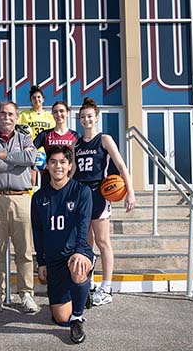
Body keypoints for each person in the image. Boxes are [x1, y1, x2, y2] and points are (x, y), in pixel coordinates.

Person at [73, 97, 136, 306]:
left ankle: (107, 287)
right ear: (79, 119)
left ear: (96, 118)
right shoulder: (76, 144)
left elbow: (121, 164)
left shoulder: (104, 139)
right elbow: (73, 172)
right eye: (83, 117)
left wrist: (131, 191)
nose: (86, 119)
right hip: (81, 193)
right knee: (86, 242)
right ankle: (88, 282)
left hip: (99, 192)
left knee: (103, 241)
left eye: (90, 116)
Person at [0, 101, 39, 313]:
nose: (7, 117)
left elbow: (31, 157)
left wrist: (5, 157)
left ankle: (26, 294)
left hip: (21, 198)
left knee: (24, 251)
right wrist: (16, 162)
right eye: (3, 113)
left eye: (11, 114)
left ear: (16, 117)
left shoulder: (24, 138)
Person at [31, 145, 95, 344]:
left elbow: (84, 225)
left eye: (62, 162)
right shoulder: (39, 197)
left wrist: (79, 252)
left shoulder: (81, 191)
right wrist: (41, 262)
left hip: (77, 250)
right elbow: (38, 232)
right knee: (60, 319)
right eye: (53, 162)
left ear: (69, 166)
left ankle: (78, 317)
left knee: (77, 266)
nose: (57, 166)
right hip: (53, 258)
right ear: (47, 166)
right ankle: (78, 295)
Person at [33, 101, 79, 186]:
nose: (58, 114)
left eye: (61, 111)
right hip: (49, 179)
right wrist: (38, 161)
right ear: (52, 115)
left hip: (69, 179)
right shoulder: (45, 134)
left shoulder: (75, 136)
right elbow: (30, 150)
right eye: (55, 112)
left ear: (67, 113)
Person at [18, 85, 55, 186]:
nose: (36, 99)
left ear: (43, 99)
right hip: (30, 150)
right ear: (30, 100)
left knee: (48, 180)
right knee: (31, 181)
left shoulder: (50, 116)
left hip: (46, 151)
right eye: (34, 98)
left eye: (39, 97)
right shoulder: (23, 115)